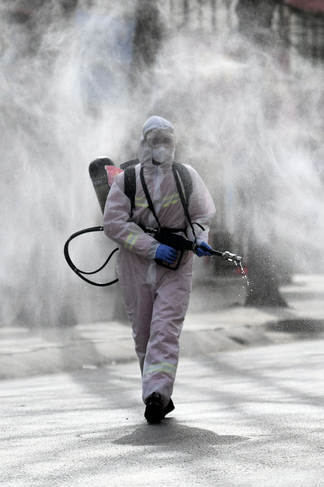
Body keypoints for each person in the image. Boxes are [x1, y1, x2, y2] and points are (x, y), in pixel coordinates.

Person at [103, 116, 216, 423]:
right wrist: (151, 247)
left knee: (165, 330)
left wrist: (199, 239)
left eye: (168, 140)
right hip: (135, 265)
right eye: (156, 140)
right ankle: (157, 390)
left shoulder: (186, 177)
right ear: (144, 143)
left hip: (177, 265)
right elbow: (113, 224)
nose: (163, 147)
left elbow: (201, 215)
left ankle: (156, 395)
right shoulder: (126, 180)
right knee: (144, 336)